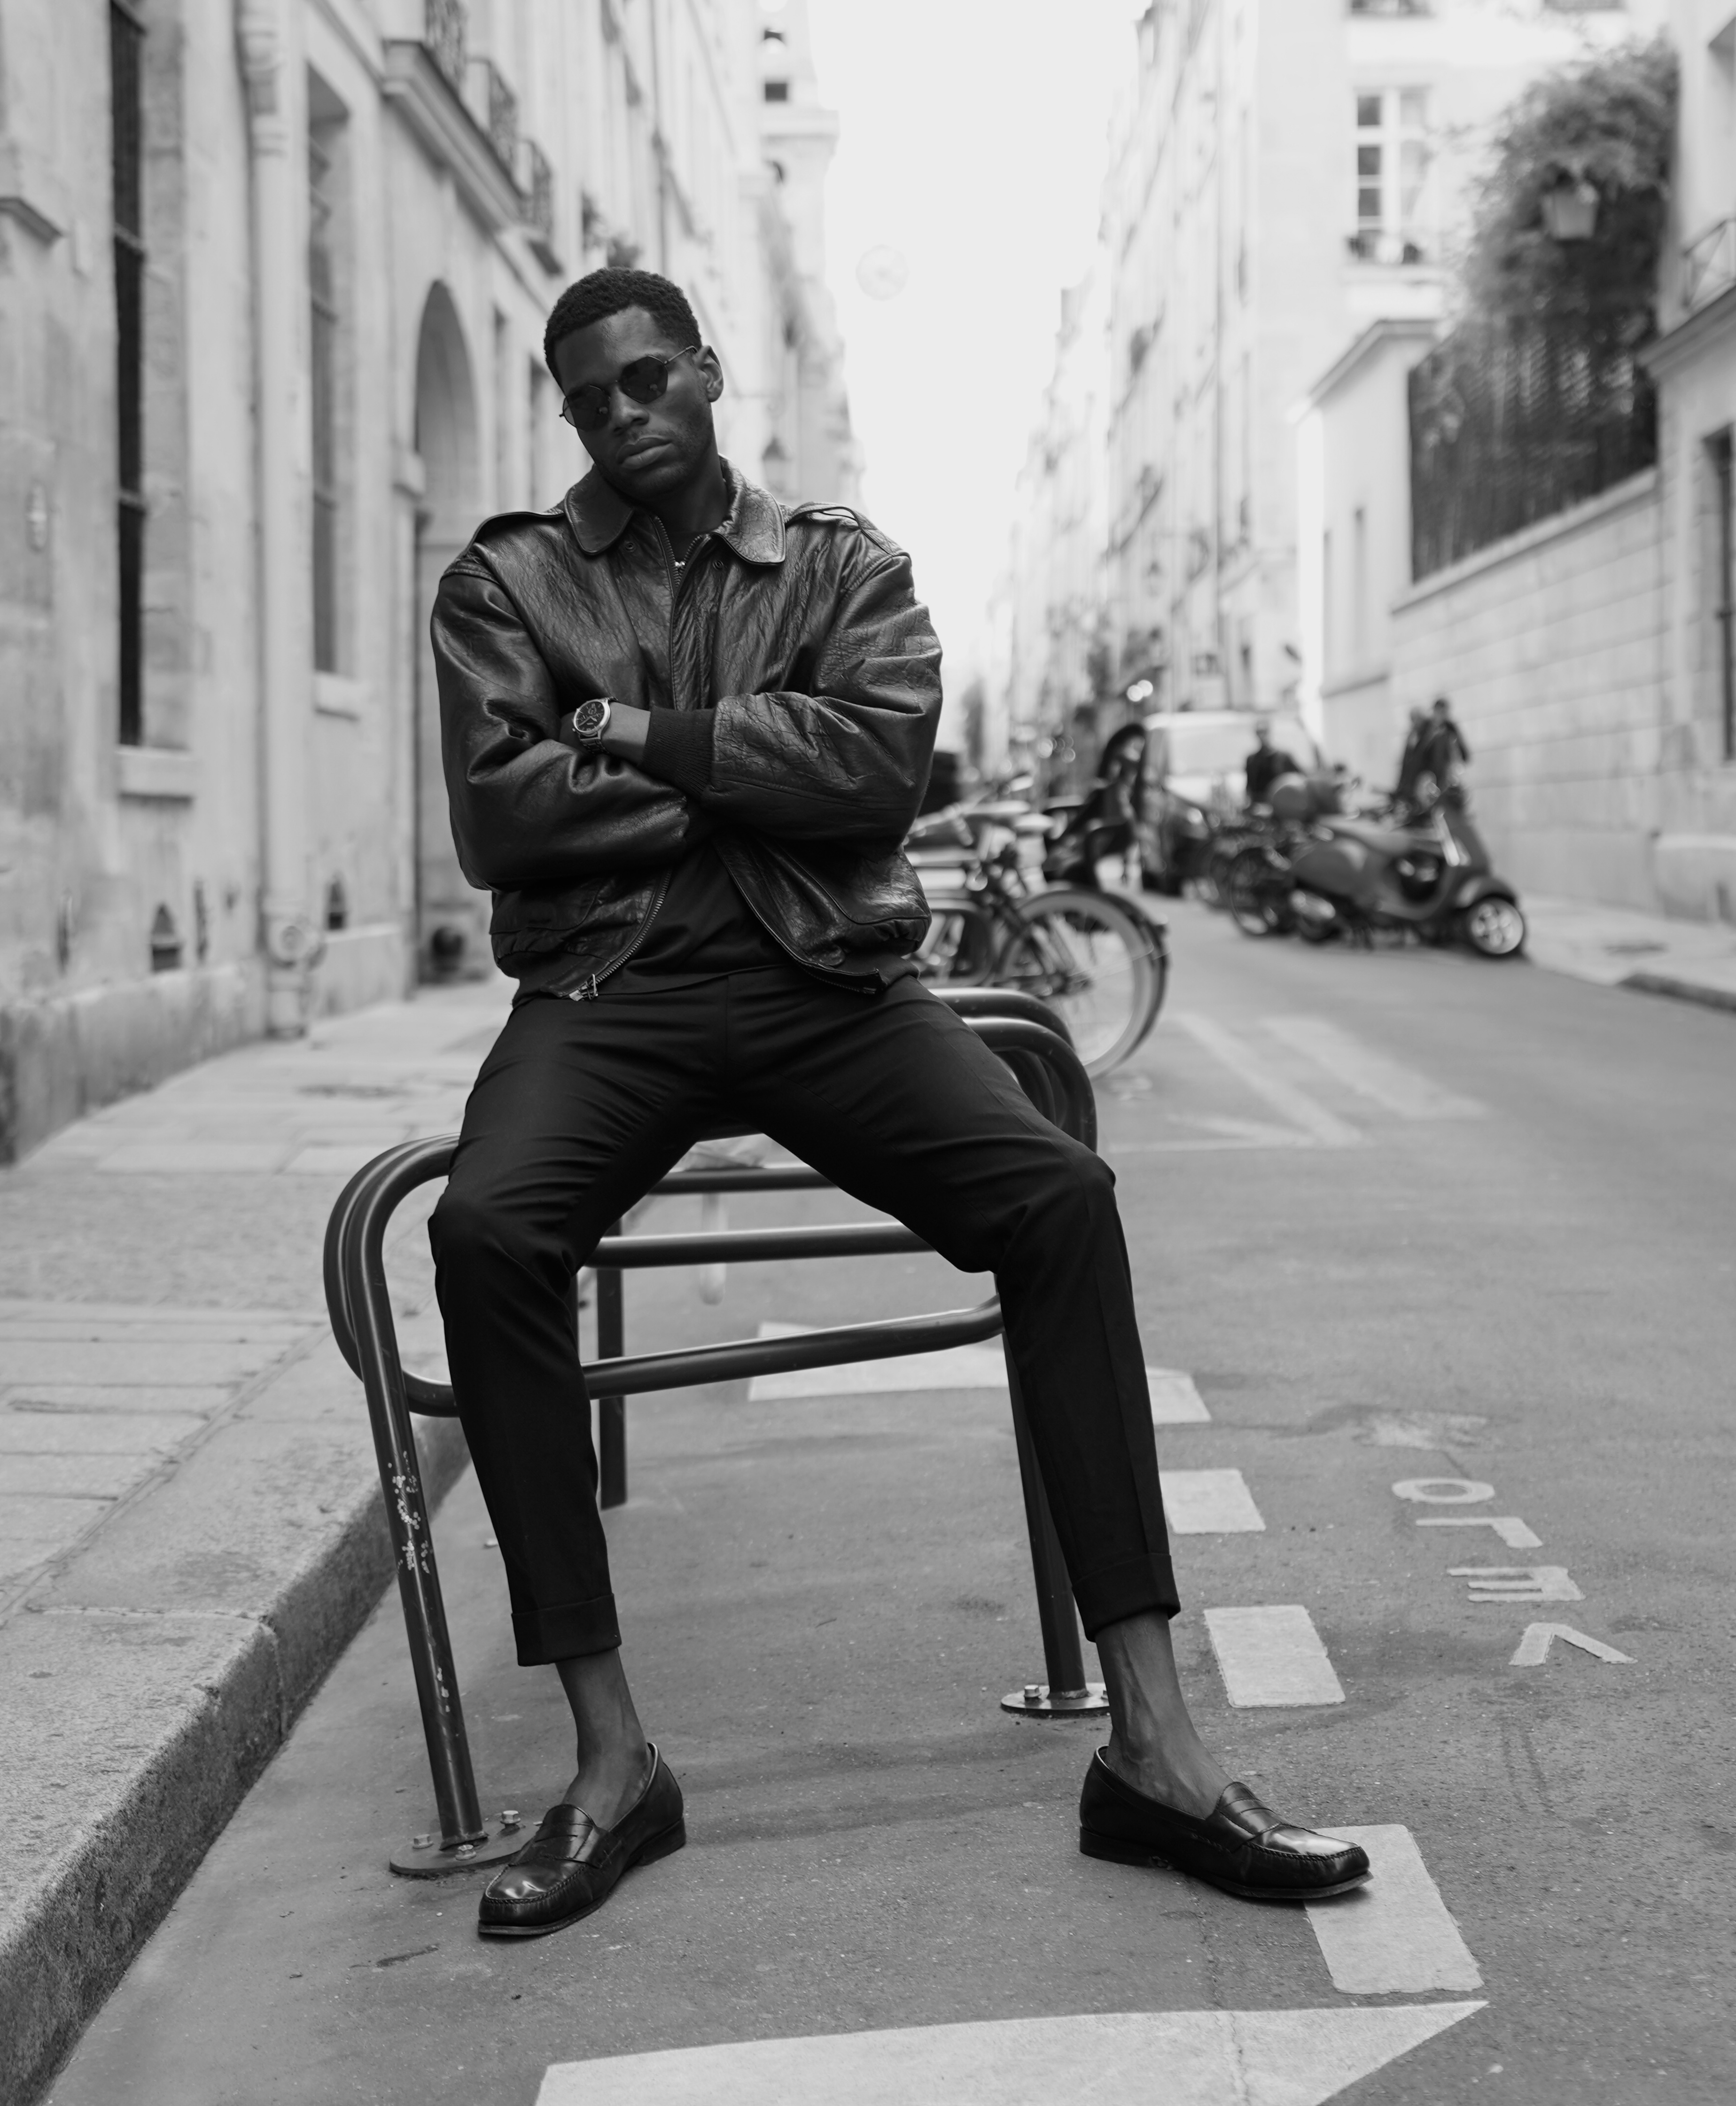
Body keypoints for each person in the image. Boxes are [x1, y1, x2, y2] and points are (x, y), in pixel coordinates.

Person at [428, 265, 1370, 1940]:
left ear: (707, 370)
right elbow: (506, 821)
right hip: (608, 995)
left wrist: (635, 733)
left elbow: (877, 771)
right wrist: (750, 777)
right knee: (487, 1228)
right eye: (590, 398)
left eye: (649, 378)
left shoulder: (839, 563)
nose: (624, 413)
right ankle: (610, 1757)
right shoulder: (510, 578)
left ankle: (1150, 1745)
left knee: (1057, 1199)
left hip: (827, 985)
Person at [1242, 718, 1295, 808]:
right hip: (1258, 806)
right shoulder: (1252, 760)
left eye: (1264, 732)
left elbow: (1297, 779)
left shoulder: (1283, 757)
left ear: (1269, 732)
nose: (1262, 736)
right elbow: (1249, 786)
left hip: (1280, 806)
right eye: (1259, 732)